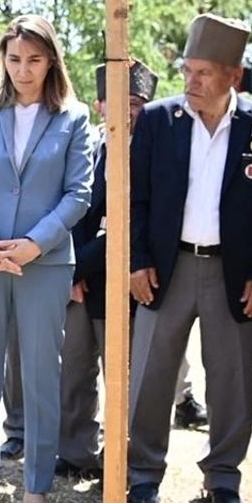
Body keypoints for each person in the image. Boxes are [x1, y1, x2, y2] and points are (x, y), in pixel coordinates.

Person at [127, 14, 252, 503]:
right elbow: (135, 195)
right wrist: (136, 261)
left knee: (231, 379)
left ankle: (223, 477)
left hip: (236, 274)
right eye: (187, 70)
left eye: (203, 73)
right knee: (152, 377)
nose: (191, 82)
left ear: (233, 77)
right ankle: (142, 473)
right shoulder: (159, 120)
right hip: (168, 267)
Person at [0, 14, 93, 503]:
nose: (23, 69)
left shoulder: (74, 118)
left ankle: (35, 489)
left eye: (34, 59)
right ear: (2, 60)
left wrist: (35, 244)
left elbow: (79, 194)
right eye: (14, 59)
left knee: (39, 373)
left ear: (51, 59)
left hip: (46, 262)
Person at [52, 59, 158, 479]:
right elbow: (66, 208)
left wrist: (76, 267)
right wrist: (70, 270)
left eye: (135, 103)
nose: (126, 111)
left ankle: (122, 460)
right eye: (117, 102)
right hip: (78, 280)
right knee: (74, 371)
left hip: (123, 280)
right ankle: (76, 452)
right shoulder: (82, 146)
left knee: (124, 378)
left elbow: (129, 222)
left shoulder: (151, 151)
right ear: (99, 105)